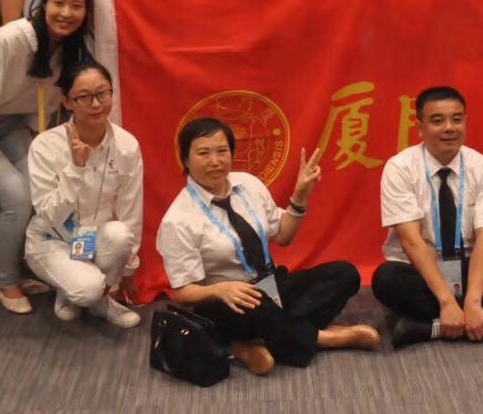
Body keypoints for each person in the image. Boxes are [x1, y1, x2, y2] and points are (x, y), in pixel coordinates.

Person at [157, 118, 380, 373]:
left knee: (344, 274)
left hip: (269, 284)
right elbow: (182, 292)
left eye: (222, 151)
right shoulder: (178, 220)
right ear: (185, 160)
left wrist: (299, 197)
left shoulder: (249, 184)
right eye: (203, 153)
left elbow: (283, 236)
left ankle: (248, 344)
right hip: (228, 301)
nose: (215, 161)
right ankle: (322, 338)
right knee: (258, 307)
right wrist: (220, 289)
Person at [0, 0, 94, 313]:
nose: (66, 13)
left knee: (40, 189)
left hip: (12, 125)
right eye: (59, 3)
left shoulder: (70, 48)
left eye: (76, 6)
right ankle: (4, 282)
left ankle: (16, 269)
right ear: (43, 3)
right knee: (17, 197)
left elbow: (42, 104)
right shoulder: (10, 39)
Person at [373, 86, 483, 347]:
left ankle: (431, 327)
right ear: (420, 127)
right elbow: (411, 241)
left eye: (456, 119)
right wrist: (447, 301)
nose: (449, 128)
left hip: (467, 266)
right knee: (386, 278)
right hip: (420, 268)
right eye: (437, 121)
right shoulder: (400, 168)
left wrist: (473, 300)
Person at [26, 62, 143, 328]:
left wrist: (129, 269)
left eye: (103, 93)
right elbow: (49, 215)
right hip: (52, 239)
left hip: (97, 238)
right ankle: (77, 291)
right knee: (86, 289)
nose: (96, 104)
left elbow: (131, 211)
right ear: (67, 102)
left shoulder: (126, 145)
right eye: (84, 97)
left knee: (120, 233)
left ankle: (99, 299)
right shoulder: (45, 145)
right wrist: (76, 170)